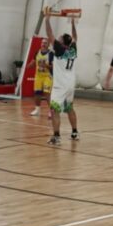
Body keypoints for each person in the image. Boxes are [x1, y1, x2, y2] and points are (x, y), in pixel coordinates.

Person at [43, 10, 78, 145]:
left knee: (54, 110)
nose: (58, 38)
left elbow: (50, 35)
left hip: (60, 85)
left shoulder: (60, 49)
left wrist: (47, 19)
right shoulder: (72, 49)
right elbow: (75, 37)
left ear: (62, 42)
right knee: (69, 108)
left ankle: (56, 137)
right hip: (70, 84)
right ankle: (74, 132)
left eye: (60, 37)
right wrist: (73, 23)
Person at [29, 38, 53, 116]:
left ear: (48, 45)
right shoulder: (37, 52)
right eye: (42, 42)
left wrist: (45, 65)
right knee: (37, 93)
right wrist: (28, 66)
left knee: (46, 93)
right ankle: (37, 110)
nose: (43, 44)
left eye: (45, 43)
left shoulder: (51, 54)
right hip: (38, 76)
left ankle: (51, 111)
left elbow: (54, 67)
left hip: (47, 76)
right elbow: (33, 62)